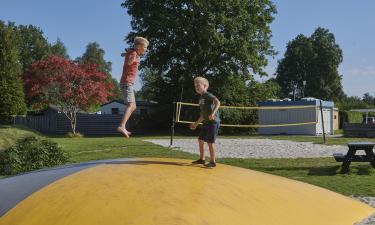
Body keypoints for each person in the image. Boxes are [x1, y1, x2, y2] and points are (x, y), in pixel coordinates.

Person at [117, 37, 149, 138]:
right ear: (139, 47)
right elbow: (129, 62)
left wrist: (125, 54)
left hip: (127, 83)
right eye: (145, 48)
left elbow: (127, 55)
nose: (146, 50)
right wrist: (131, 58)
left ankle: (123, 126)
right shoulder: (134, 54)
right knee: (131, 105)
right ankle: (122, 126)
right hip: (127, 82)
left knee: (134, 106)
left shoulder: (132, 52)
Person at [189, 77, 220, 168]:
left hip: (213, 122)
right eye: (195, 86)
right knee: (201, 140)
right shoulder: (201, 98)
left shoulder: (207, 94)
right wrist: (196, 124)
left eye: (198, 85)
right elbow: (203, 115)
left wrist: (213, 113)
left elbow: (217, 102)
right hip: (206, 123)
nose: (196, 87)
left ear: (205, 86)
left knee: (210, 142)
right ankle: (202, 159)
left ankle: (213, 162)